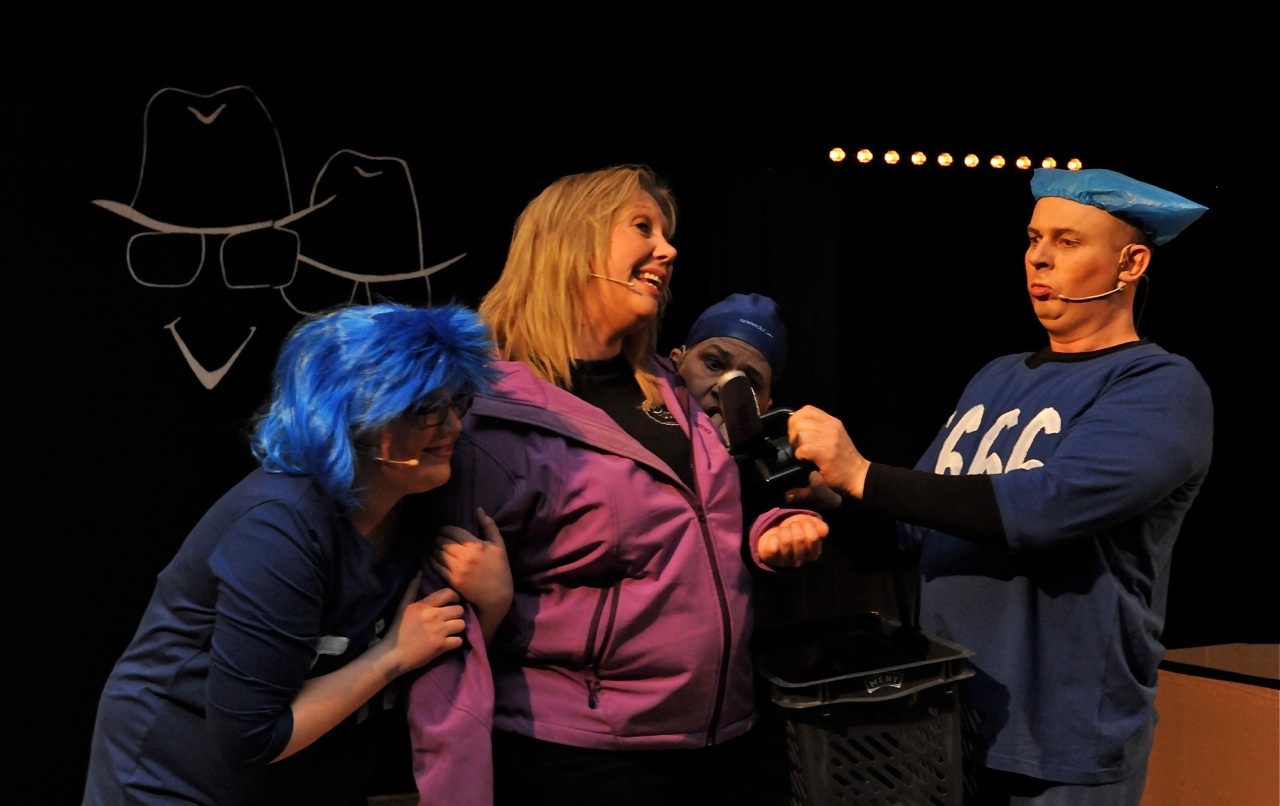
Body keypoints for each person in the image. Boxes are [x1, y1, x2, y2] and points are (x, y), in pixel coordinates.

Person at [785, 168, 1213, 805]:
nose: (1039, 257)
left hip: (1061, 744)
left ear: (1131, 263)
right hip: (945, 727)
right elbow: (916, 525)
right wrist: (828, 497)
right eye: (1034, 238)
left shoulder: (1160, 386)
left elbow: (1042, 508)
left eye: (1068, 241)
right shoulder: (997, 377)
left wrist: (862, 474)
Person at [407, 164, 829, 806]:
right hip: (584, 758)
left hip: (723, 741)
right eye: (642, 228)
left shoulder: (671, 390)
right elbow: (442, 647)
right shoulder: (489, 418)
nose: (668, 249)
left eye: (666, 233)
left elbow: (697, 525)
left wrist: (770, 532)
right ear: (573, 245)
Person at [83, 302, 505, 805]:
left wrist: (494, 600)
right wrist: (391, 655)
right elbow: (250, 738)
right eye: (425, 409)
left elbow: (439, 663)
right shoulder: (278, 528)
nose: (453, 426)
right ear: (352, 418)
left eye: (456, 402)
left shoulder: (417, 504)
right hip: (174, 784)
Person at [670, 291, 841, 511]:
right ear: (675, 362)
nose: (724, 388)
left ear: (765, 406)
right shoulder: (631, 432)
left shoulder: (770, 490)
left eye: (748, 382)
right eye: (714, 364)